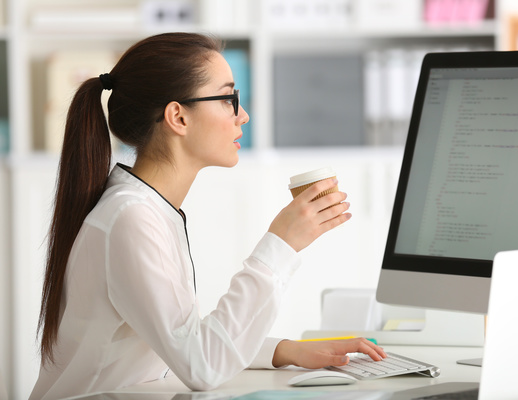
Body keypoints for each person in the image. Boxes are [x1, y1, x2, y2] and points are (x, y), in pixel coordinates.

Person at [30, 32, 386, 400]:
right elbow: (202, 366)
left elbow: (179, 341)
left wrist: (285, 351)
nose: (242, 115)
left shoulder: (146, 208)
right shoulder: (130, 218)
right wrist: (281, 244)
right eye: (229, 98)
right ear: (178, 117)